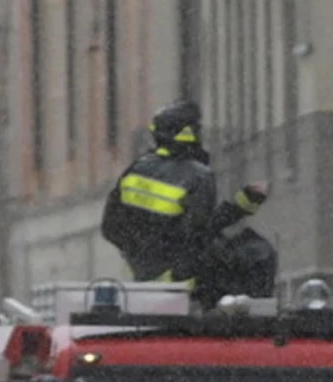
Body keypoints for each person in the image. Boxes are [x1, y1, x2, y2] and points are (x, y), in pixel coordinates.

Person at [101, 100, 269, 299]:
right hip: (185, 283)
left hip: (142, 279)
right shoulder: (198, 175)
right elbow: (201, 233)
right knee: (258, 252)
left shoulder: (135, 170)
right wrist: (243, 205)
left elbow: (110, 228)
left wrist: (141, 255)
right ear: (189, 132)